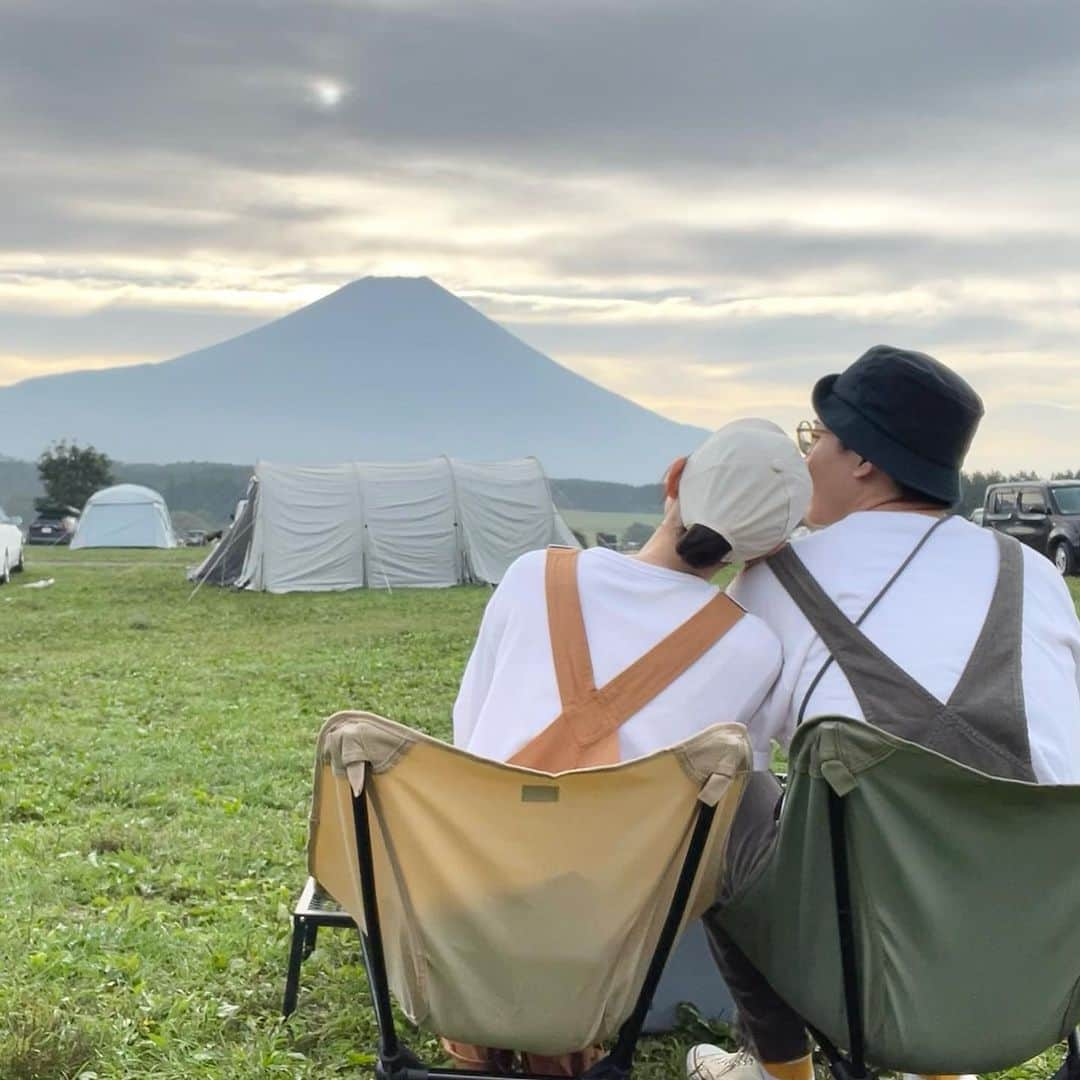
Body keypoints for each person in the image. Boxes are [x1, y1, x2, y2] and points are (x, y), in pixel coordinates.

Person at [687, 346, 1080, 1080]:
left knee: (720, 791)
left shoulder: (776, 580)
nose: (808, 458)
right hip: (1040, 982)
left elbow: (714, 744)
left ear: (861, 459)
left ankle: (781, 1071)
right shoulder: (1032, 574)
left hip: (861, 984)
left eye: (817, 439)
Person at [449, 418, 811, 1076]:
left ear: (673, 480)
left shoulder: (535, 575)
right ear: (764, 550)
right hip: (607, 934)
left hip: (465, 897)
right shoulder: (753, 647)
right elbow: (730, 799)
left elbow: (468, 735)